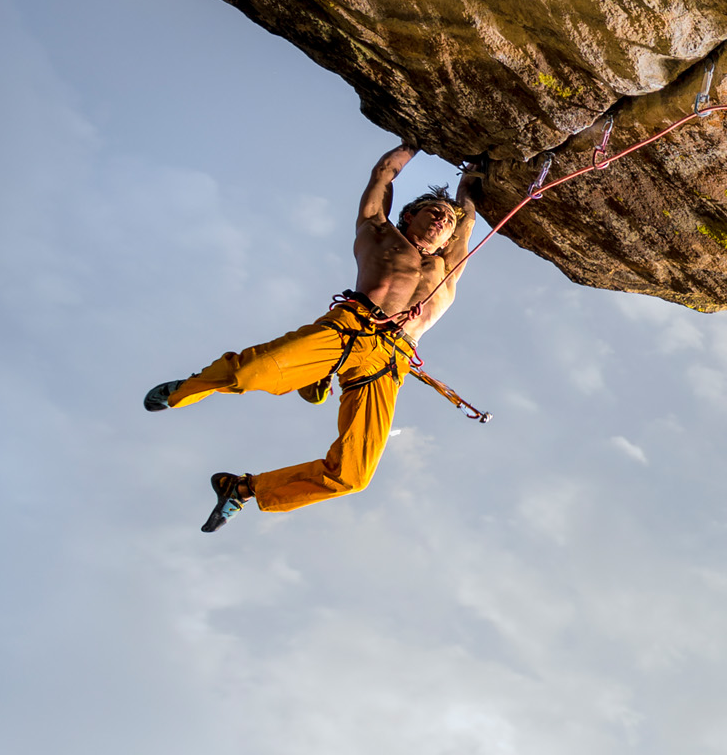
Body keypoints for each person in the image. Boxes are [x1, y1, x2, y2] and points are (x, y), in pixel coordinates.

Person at [146, 141, 478, 532]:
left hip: (390, 362)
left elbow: (468, 215)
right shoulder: (379, 233)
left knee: (354, 475)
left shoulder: (448, 267)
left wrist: (475, 170)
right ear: (408, 215)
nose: (441, 221)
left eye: (447, 222)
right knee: (248, 374)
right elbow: (383, 174)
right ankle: (186, 389)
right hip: (350, 329)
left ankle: (242, 489)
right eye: (432, 212)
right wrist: (415, 141)